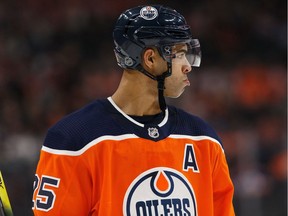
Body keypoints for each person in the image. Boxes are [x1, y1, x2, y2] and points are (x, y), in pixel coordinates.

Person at [32, 5, 235, 216]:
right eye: (180, 54)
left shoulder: (204, 139)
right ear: (150, 59)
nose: (188, 66)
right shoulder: (74, 140)